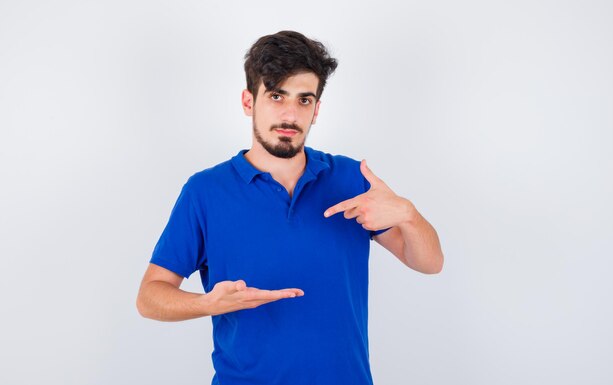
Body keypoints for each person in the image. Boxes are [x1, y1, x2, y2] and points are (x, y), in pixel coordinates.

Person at [136, 30, 443, 385]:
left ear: (316, 110)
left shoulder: (350, 178)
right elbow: (149, 296)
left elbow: (430, 263)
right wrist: (208, 304)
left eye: (303, 100)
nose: (290, 114)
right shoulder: (205, 191)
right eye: (277, 95)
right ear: (249, 102)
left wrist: (408, 213)